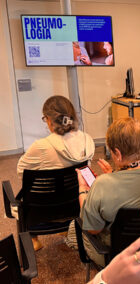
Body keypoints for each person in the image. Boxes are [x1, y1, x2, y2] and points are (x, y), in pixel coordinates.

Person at [77, 117, 140, 267]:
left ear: (118, 153)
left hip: (120, 256)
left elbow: (93, 229)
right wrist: (116, 173)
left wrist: (83, 190)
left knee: (76, 226)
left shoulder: (102, 185)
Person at [17, 95, 95, 250]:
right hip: (76, 203)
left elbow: (22, 172)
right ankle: (68, 227)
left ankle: (34, 240)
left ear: (49, 120)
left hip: (43, 209)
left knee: (28, 189)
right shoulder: (87, 139)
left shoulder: (41, 146)